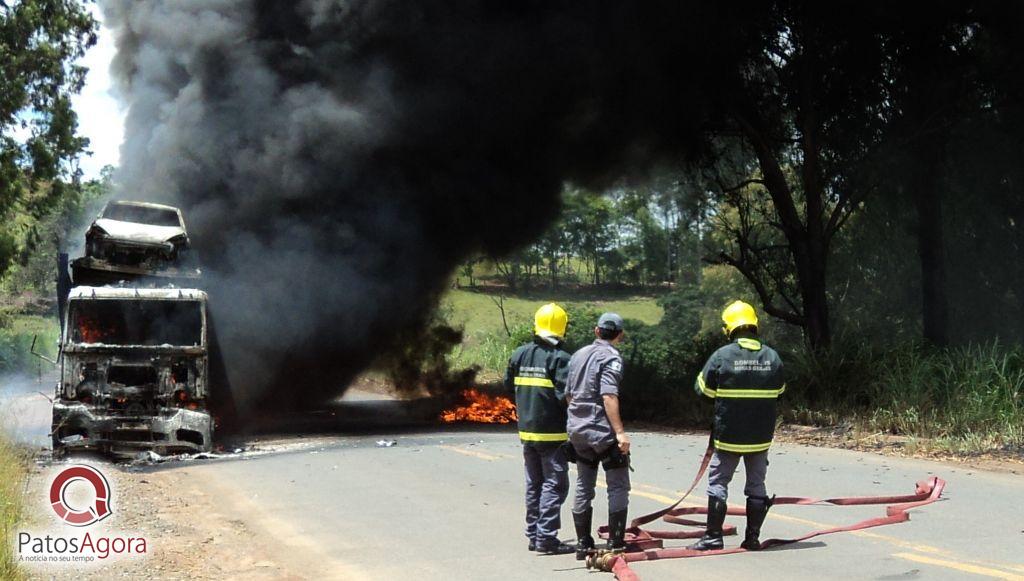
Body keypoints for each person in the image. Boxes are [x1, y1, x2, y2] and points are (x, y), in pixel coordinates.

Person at [689, 300, 785, 551]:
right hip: (760, 437)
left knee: (718, 482)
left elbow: (703, 390)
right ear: (754, 325)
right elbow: (780, 390)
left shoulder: (722, 356)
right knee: (757, 485)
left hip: (728, 435)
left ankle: (713, 536)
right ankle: (752, 538)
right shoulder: (773, 356)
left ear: (729, 328)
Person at [505, 303, 575, 555]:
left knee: (534, 483)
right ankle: (546, 537)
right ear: (562, 327)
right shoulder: (561, 359)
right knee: (555, 485)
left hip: (527, 432)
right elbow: (569, 398)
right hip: (553, 435)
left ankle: (534, 534)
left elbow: (508, 388)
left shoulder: (519, 354)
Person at [565, 312, 630, 560]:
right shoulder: (611, 357)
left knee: (584, 484)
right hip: (601, 431)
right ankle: (615, 542)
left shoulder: (577, 355)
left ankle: (583, 543)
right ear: (620, 335)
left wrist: (576, 423)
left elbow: (569, 395)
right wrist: (620, 433)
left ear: (596, 331)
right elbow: (608, 396)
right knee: (618, 484)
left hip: (577, 431)